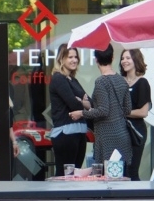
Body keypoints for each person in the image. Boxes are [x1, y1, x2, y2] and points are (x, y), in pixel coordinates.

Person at [71, 46, 132, 167]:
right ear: (112, 58)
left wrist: (81, 113)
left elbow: (103, 110)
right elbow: (128, 109)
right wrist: (89, 106)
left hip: (106, 137)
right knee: (119, 175)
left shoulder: (101, 82)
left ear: (96, 60)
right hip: (122, 134)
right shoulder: (122, 80)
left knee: (106, 176)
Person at [48, 43, 91, 176]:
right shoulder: (58, 78)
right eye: (70, 57)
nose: (74, 60)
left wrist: (82, 102)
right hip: (65, 134)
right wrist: (83, 102)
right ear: (61, 59)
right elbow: (74, 104)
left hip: (79, 133)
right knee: (65, 176)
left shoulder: (73, 80)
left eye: (76, 57)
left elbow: (91, 103)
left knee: (75, 176)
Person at [120, 49, 151, 180]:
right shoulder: (119, 82)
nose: (124, 61)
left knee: (131, 170)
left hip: (136, 132)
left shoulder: (142, 83)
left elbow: (143, 112)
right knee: (119, 171)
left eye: (128, 58)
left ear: (135, 60)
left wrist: (122, 113)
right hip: (119, 131)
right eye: (122, 58)